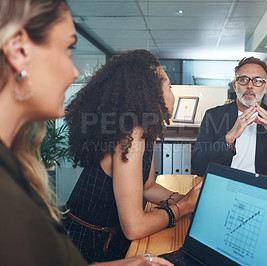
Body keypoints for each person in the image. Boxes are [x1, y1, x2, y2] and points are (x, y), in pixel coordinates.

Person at [0, 0, 172, 265]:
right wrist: (181, 208)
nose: (74, 73)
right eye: (67, 49)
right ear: (19, 51)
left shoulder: (17, 164)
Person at [63, 49, 201, 263]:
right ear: (151, 94)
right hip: (87, 245)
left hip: (110, 237)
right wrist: (183, 207)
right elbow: (134, 227)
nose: (173, 94)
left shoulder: (146, 130)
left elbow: (148, 187)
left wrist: (189, 200)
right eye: (169, 87)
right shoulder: (129, 136)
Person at [191, 57, 267, 178]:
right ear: (235, 86)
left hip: (263, 187)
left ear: (266, 87)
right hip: (225, 182)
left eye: (257, 81)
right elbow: (199, 167)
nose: (250, 86)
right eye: (243, 80)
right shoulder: (214, 116)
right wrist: (229, 137)